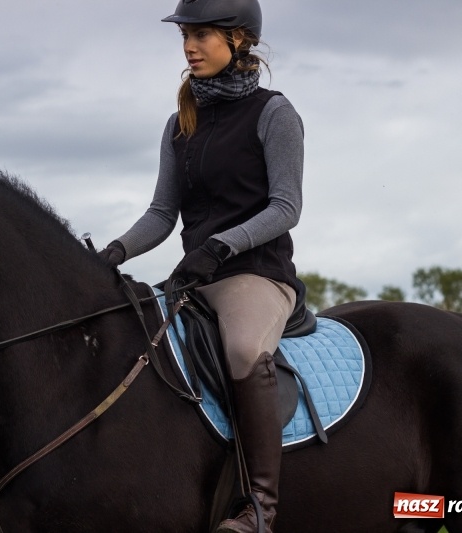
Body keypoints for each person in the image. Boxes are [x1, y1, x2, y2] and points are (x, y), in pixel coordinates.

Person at [98, 0, 304, 531]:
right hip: (195, 277)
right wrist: (115, 251)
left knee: (241, 348)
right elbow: (163, 213)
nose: (189, 47)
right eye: (186, 36)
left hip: (256, 275)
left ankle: (260, 508)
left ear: (239, 41)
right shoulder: (179, 123)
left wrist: (222, 246)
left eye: (202, 35)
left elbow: (286, 207)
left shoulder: (274, 113)